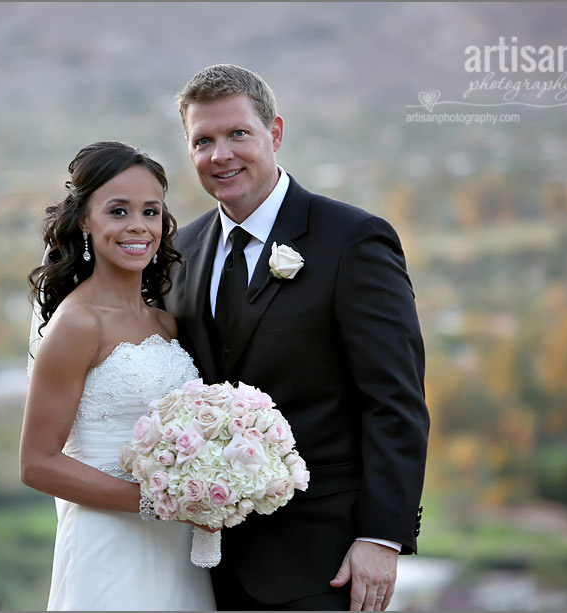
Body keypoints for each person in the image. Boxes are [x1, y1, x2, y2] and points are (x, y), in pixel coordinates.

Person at [162, 64, 430, 611]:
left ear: (275, 133)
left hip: (322, 561)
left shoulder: (351, 240)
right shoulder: (181, 251)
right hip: (201, 566)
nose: (221, 155)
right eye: (203, 141)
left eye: (238, 134)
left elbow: (394, 400)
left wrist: (381, 537)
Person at [19, 141, 215, 611]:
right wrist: (156, 502)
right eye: (118, 211)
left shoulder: (165, 323)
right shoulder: (77, 324)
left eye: (150, 211)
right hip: (109, 542)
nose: (137, 227)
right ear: (85, 220)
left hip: (177, 547)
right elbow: (37, 463)